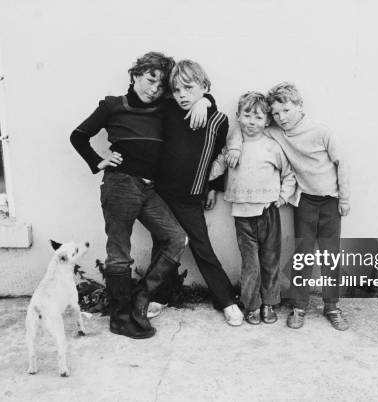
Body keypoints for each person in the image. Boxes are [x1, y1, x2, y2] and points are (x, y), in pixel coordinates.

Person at [69, 52, 210, 339]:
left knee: (175, 238)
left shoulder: (162, 107)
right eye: (149, 80)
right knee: (119, 251)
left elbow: (198, 92)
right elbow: (78, 136)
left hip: (148, 188)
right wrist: (99, 161)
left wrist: (206, 102)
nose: (154, 89)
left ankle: (140, 300)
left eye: (160, 86)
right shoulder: (112, 106)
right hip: (120, 184)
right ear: (135, 76)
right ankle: (120, 318)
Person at [226, 82, 351, 330]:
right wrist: (235, 145)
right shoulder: (277, 133)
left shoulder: (321, 131)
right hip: (303, 201)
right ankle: (299, 307)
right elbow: (246, 128)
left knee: (330, 255)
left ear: (299, 106)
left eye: (286, 110)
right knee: (302, 256)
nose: (280, 117)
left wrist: (345, 198)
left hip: (331, 201)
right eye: (275, 114)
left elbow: (341, 163)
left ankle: (332, 306)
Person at [149, 60, 245, 326]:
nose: (182, 96)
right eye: (177, 90)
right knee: (164, 246)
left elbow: (218, 157)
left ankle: (226, 300)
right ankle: (160, 294)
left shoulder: (217, 120)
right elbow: (144, 98)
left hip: (191, 197)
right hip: (160, 195)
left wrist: (213, 188)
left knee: (202, 248)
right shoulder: (167, 110)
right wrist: (203, 99)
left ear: (203, 86)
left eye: (189, 89)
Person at [209, 92, 296, 325]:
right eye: (246, 115)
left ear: (267, 121)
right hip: (242, 215)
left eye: (258, 117)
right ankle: (252, 305)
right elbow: (216, 168)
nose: (251, 121)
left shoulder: (272, 147)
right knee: (251, 264)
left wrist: (283, 197)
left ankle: (269, 303)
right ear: (238, 116)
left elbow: (289, 175)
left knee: (270, 261)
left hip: (269, 212)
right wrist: (205, 176)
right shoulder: (233, 146)